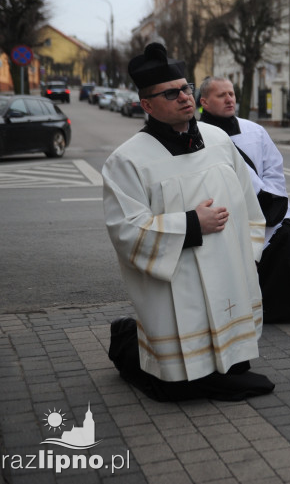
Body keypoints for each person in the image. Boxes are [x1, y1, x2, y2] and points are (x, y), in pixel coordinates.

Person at [102, 43, 273, 401]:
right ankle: (128, 343)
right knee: (175, 386)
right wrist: (192, 224)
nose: (183, 97)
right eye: (170, 93)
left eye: (186, 88)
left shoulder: (217, 139)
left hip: (227, 266)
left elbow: (247, 201)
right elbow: (127, 230)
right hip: (179, 277)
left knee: (235, 362)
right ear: (147, 104)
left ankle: (228, 365)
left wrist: (247, 253)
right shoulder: (128, 160)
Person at [199, 76, 290, 323]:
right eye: (221, 95)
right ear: (204, 102)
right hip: (226, 212)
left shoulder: (254, 130)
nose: (229, 99)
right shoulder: (198, 135)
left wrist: (270, 202)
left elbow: (274, 168)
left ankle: (281, 305)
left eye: (231, 94)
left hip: (264, 205)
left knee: (289, 235)